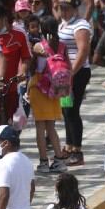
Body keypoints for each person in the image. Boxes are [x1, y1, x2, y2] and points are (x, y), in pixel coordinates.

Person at [28, 15, 67, 173]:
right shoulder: (62, 46)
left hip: (39, 86)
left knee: (40, 126)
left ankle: (44, 162)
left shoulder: (39, 45)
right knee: (51, 126)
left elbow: (34, 65)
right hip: (54, 87)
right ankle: (58, 159)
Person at [58, 0, 93, 165]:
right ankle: (69, 145)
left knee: (73, 110)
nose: (63, 11)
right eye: (61, 7)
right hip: (63, 72)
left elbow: (83, 50)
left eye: (67, 8)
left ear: (75, 9)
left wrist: (71, 72)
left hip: (77, 73)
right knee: (66, 109)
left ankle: (77, 150)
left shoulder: (81, 25)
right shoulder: (64, 23)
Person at [0, 3, 32, 123]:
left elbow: (26, 58)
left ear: (4, 19)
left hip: (9, 87)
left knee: (10, 123)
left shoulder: (19, 34)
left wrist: (22, 71)